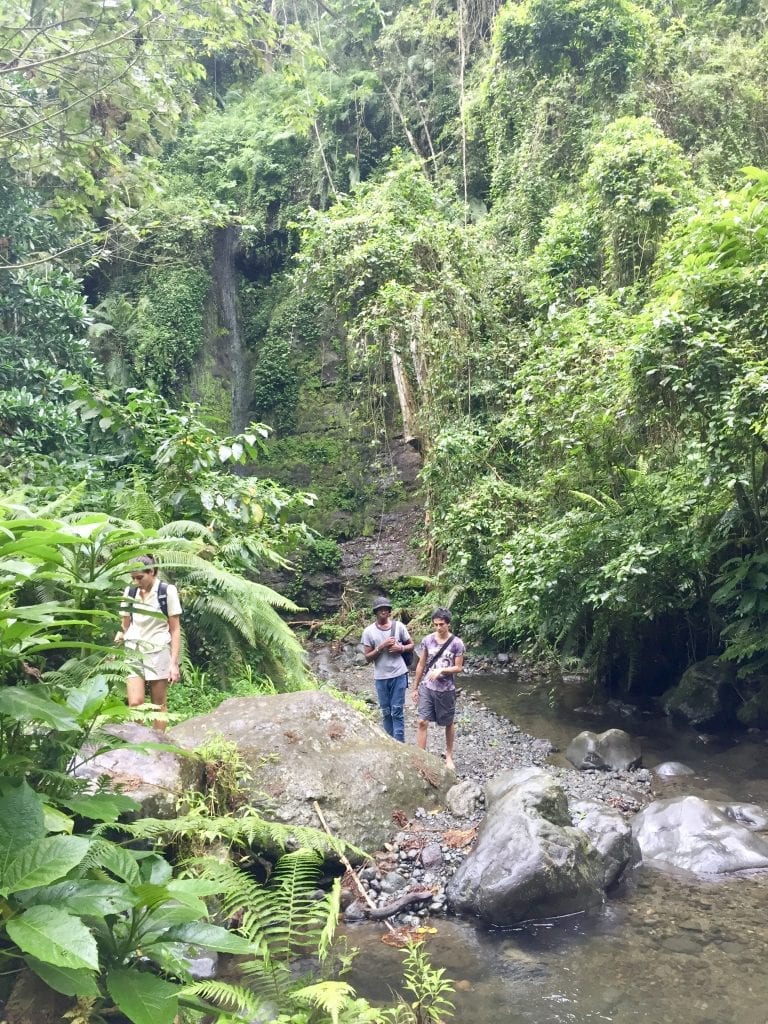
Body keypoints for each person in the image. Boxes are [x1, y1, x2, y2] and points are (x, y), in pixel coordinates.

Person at [114, 555, 182, 732]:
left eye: (139, 578)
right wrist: (117, 641)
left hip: (158, 650)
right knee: (135, 703)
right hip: (133, 649)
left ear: (151, 572)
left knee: (158, 705)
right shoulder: (130, 592)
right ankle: (138, 745)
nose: (136, 582)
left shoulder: (166, 591)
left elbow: (175, 629)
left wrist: (174, 664)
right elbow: (125, 624)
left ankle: (158, 747)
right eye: (133, 578)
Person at [412, 607, 465, 771]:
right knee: (422, 721)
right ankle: (421, 756)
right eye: (435, 624)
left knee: (448, 723)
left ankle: (449, 756)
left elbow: (458, 668)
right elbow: (421, 664)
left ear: (448, 624)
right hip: (428, 687)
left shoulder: (457, 643)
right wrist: (415, 688)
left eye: (441, 624)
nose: (438, 628)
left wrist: (442, 670)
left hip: (447, 689)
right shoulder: (427, 640)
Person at [361, 597, 414, 742]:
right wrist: (381, 646)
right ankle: (390, 743)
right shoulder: (368, 632)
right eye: (380, 609)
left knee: (397, 711)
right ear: (376, 612)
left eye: (386, 608)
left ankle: (400, 744)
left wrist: (401, 648)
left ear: (390, 611)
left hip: (399, 674)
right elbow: (367, 658)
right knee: (385, 712)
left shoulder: (399, 627)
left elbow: (412, 645)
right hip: (381, 677)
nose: (383, 611)